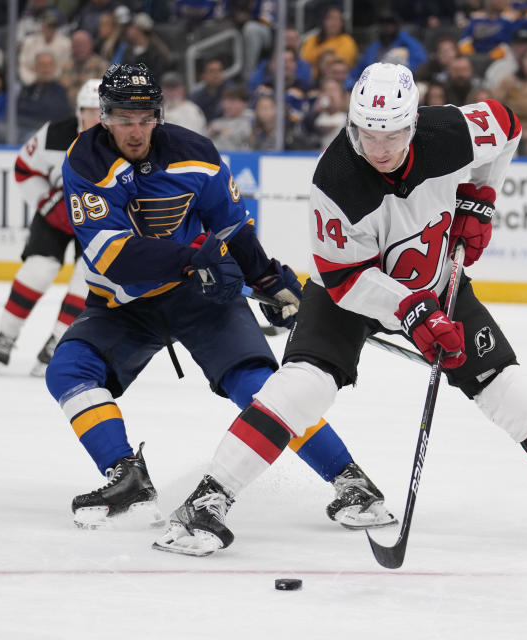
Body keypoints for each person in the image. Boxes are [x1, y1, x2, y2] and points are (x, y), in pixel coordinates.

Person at [154, 62, 527, 557]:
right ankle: (208, 499)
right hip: (349, 293)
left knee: (510, 388)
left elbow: (508, 125)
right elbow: (346, 279)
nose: (381, 148)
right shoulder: (336, 179)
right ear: (353, 126)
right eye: (369, 134)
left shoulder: (449, 133)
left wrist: (482, 195)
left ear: (413, 124)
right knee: (302, 387)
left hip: (437, 282)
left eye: (392, 133)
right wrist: (412, 310)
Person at [45, 62, 395, 532]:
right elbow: (111, 255)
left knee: (258, 386)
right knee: (68, 369)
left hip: (201, 296)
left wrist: (271, 281)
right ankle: (125, 475)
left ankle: (351, 481)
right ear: (104, 117)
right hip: (124, 303)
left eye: (145, 117)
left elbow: (232, 227)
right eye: (124, 119)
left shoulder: (197, 155)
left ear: (159, 115)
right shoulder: (84, 162)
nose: (136, 130)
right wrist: (193, 256)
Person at [0, 79, 102, 377]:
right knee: (37, 271)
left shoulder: (122, 141)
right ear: (78, 110)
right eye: (89, 110)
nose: (94, 118)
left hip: (98, 222)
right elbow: (25, 169)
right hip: (56, 214)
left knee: (87, 282)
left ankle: (58, 342)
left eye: (101, 111)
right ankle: (6, 335)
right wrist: (48, 203)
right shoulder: (54, 134)